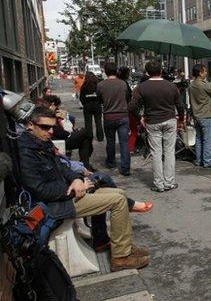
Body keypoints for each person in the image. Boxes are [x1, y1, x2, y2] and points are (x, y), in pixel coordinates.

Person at [18, 106, 149, 271]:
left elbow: (63, 168)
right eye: (45, 127)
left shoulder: (40, 143)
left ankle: (113, 243)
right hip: (56, 206)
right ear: (30, 125)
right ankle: (121, 257)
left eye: (53, 127)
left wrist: (77, 180)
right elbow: (39, 189)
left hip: (65, 196)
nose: (50, 131)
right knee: (117, 201)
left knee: (119, 193)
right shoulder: (26, 151)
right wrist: (73, 190)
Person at [129, 61, 185, 192]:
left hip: (152, 121)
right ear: (161, 71)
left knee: (156, 153)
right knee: (169, 152)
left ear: (147, 72)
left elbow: (131, 106)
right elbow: (180, 106)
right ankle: (169, 182)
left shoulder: (141, 87)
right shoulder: (171, 86)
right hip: (170, 120)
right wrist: (181, 119)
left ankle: (159, 184)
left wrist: (140, 118)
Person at [43, 95, 94, 171]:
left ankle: (85, 166)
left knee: (85, 140)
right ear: (52, 104)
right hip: (59, 141)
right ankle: (87, 161)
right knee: (85, 133)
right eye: (56, 107)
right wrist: (69, 132)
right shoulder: (48, 116)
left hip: (60, 138)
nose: (57, 109)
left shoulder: (48, 114)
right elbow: (60, 133)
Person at [97, 62, 131, 176]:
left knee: (110, 141)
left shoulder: (101, 85)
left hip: (109, 116)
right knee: (124, 143)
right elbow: (128, 98)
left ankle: (111, 162)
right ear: (116, 71)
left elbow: (99, 100)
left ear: (105, 72)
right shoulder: (123, 84)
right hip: (123, 116)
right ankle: (125, 167)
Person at [189, 64, 211, 168]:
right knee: (208, 139)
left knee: (199, 138)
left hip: (196, 115)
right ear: (200, 73)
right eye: (204, 71)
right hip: (206, 116)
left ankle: (199, 160)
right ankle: (207, 161)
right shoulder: (203, 84)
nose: (206, 73)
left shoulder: (191, 85)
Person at [117, 66, 140, 154]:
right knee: (134, 129)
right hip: (127, 110)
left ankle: (128, 147)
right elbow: (128, 97)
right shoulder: (124, 84)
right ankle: (130, 147)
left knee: (125, 131)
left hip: (118, 110)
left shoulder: (118, 83)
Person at [80, 72, 104, 142]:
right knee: (98, 122)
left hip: (87, 105)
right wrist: (100, 102)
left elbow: (81, 97)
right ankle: (100, 137)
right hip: (97, 105)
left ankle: (89, 137)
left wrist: (85, 104)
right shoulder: (97, 86)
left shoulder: (84, 86)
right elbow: (101, 96)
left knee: (88, 123)